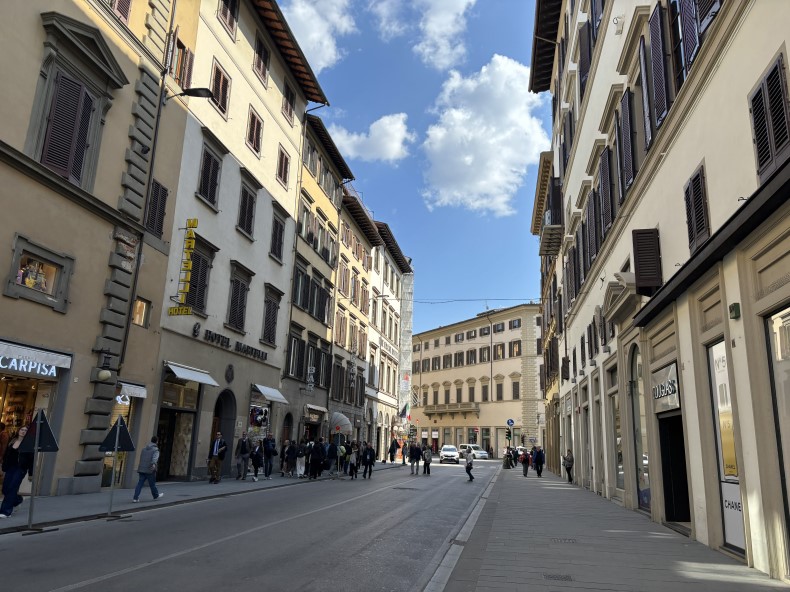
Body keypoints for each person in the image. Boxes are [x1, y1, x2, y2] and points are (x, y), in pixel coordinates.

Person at [0, 426, 34, 518]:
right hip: (10, 468)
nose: (23, 431)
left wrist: (31, 473)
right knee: (5, 488)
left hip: (20, 469)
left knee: (12, 488)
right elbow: (6, 455)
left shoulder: (28, 444)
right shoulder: (12, 441)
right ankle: (18, 499)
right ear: (18, 431)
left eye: (26, 430)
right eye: (22, 429)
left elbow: (31, 460)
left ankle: (6, 511)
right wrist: (4, 467)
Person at [132, 436, 164, 503]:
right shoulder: (156, 450)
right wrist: (153, 464)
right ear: (157, 441)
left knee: (140, 484)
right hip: (150, 469)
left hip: (142, 468)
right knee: (152, 484)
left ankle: (135, 498)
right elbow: (155, 458)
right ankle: (156, 495)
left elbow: (141, 458)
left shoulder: (144, 449)